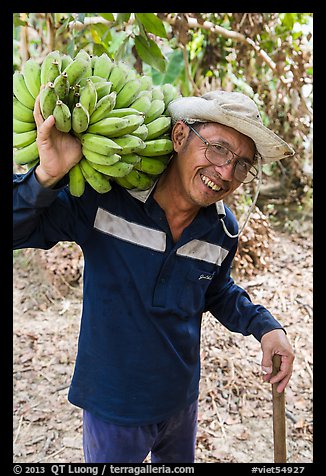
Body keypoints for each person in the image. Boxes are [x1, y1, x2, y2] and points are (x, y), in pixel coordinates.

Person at [13, 89, 295, 464]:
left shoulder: (222, 228)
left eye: (242, 164)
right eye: (218, 149)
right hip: (115, 406)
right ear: (180, 137)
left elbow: (216, 289)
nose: (226, 172)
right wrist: (47, 175)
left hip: (180, 401)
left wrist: (266, 327)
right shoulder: (107, 199)